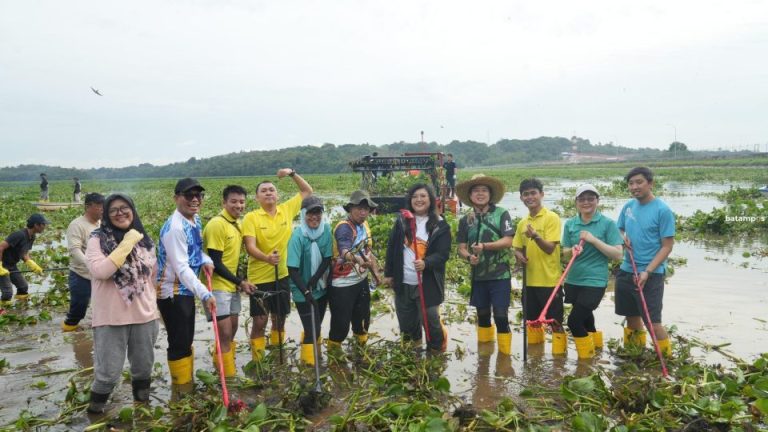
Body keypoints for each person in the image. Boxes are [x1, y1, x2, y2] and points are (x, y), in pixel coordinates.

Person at [85, 193, 159, 413]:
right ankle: (94, 416)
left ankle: (143, 411)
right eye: (113, 210)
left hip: (145, 316)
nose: (120, 213)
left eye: (125, 208)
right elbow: (101, 271)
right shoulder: (97, 239)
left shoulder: (145, 241)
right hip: (110, 318)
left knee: (143, 369)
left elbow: (152, 278)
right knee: (108, 374)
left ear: (133, 211)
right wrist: (127, 242)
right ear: (106, 215)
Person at [242, 168, 313, 361]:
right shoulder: (251, 217)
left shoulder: (286, 210)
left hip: (282, 274)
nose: (268, 193)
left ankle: (276, 354)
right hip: (259, 277)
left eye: (271, 190)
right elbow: (250, 246)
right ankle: (258, 361)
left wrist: (292, 173)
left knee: (279, 317)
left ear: (277, 195)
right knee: (260, 320)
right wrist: (266, 258)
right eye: (263, 191)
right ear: (257, 198)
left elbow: (307, 191)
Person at [156, 178, 217, 388]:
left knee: (187, 337)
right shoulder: (174, 229)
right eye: (188, 195)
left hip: (186, 290)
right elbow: (181, 268)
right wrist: (205, 293)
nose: (194, 199)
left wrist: (206, 259)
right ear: (176, 198)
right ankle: (181, 390)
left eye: (198, 195)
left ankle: (186, 384)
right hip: (172, 292)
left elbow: (194, 250)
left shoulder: (194, 219)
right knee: (179, 342)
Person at [384, 183, 451, 352]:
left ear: (431, 199)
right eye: (414, 197)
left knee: (431, 321)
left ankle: (436, 353)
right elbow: (392, 248)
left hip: (427, 282)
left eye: (423, 196)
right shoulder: (402, 221)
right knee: (407, 323)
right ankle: (413, 354)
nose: (418, 200)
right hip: (404, 281)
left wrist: (426, 263)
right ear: (410, 200)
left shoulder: (440, 225)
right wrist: (389, 274)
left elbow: (443, 254)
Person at [616, 167, 675, 356]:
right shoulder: (628, 207)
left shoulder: (662, 210)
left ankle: (666, 358)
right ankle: (635, 354)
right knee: (631, 316)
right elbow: (619, 229)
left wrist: (647, 271)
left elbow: (667, 246)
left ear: (650, 183)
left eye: (639, 182)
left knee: (652, 322)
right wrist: (622, 238)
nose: (634, 187)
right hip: (627, 270)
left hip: (651, 274)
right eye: (631, 183)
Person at [561, 185, 623, 359]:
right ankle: (596, 351)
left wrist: (594, 240)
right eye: (582, 199)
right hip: (574, 279)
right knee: (586, 317)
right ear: (576, 202)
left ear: (597, 201)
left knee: (573, 321)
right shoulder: (570, 224)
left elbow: (618, 254)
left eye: (590, 198)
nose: (586, 202)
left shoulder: (607, 224)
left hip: (595, 281)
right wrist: (571, 250)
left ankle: (586, 361)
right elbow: (564, 253)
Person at [456, 175, 515, 355]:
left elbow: (508, 240)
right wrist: (469, 258)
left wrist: (485, 247)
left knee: (501, 316)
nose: (480, 194)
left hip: (500, 275)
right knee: (482, 315)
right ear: (470, 196)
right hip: (478, 276)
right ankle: (484, 358)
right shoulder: (466, 220)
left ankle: (505, 358)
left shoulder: (501, 214)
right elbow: (461, 248)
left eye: (484, 190)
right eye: (476, 191)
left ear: (490, 194)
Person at [201, 185, 256, 377]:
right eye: (233, 201)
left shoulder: (238, 224)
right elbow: (215, 262)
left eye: (241, 202)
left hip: (231, 286)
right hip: (216, 287)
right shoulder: (217, 224)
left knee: (231, 330)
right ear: (223, 202)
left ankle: (221, 367)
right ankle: (229, 379)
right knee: (224, 334)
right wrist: (241, 282)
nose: (238, 205)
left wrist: (239, 282)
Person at [512, 179, 565, 355]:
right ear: (521, 198)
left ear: (541, 194)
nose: (530, 197)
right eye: (526, 194)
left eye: (533, 193)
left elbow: (550, 248)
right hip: (529, 282)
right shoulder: (522, 223)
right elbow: (517, 249)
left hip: (550, 281)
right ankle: (536, 359)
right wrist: (518, 255)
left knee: (555, 322)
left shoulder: (552, 218)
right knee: (532, 322)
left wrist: (535, 236)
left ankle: (559, 361)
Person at [327, 190, 379, 349]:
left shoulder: (365, 225)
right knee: (341, 326)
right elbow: (345, 250)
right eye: (359, 208)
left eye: (366, 209)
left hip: (361, 281)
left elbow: (369, 252)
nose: (363, 212)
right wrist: (357, 259)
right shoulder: (344, 228)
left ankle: (360, 353)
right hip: (342, 284)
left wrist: (376, 274)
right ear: (350, 209)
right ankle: (334, 356)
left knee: (363, 321)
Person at [286, 196, 332, 365]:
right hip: (300, 289)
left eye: (318, 212)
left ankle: (314, 355)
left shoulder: (326, 229)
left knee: (315, 325)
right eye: (310, 213)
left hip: (320, 286)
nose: (314, 217)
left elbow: (327, 258)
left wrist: (314, 280)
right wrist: (306, 290)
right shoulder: (298, 236)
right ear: (303, 214)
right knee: (313, 329)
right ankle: (308, 366)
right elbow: (292, 269)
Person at [62, 192, 105, 332]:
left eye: (103, 205)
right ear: (88, 206)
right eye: (99, 206)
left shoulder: (101, 223)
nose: (102, 209)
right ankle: (68, 330)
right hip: (81, 275)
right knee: (79, 308)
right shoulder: (77, 225)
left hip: (99, 274)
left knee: (103, 305)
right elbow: (74, 250)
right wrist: (90, 264)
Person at [0, 213, 49, 305]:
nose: (45, 226)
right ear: (36, 225)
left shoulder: (32, 237)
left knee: (23, 287)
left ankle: (20, 309)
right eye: (43, 224)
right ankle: (3, 313)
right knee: (7, 293)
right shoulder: (19, 235)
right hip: (2, 265)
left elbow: (23, 253)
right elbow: (1, 247)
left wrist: (32, 264)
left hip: (11, 265)